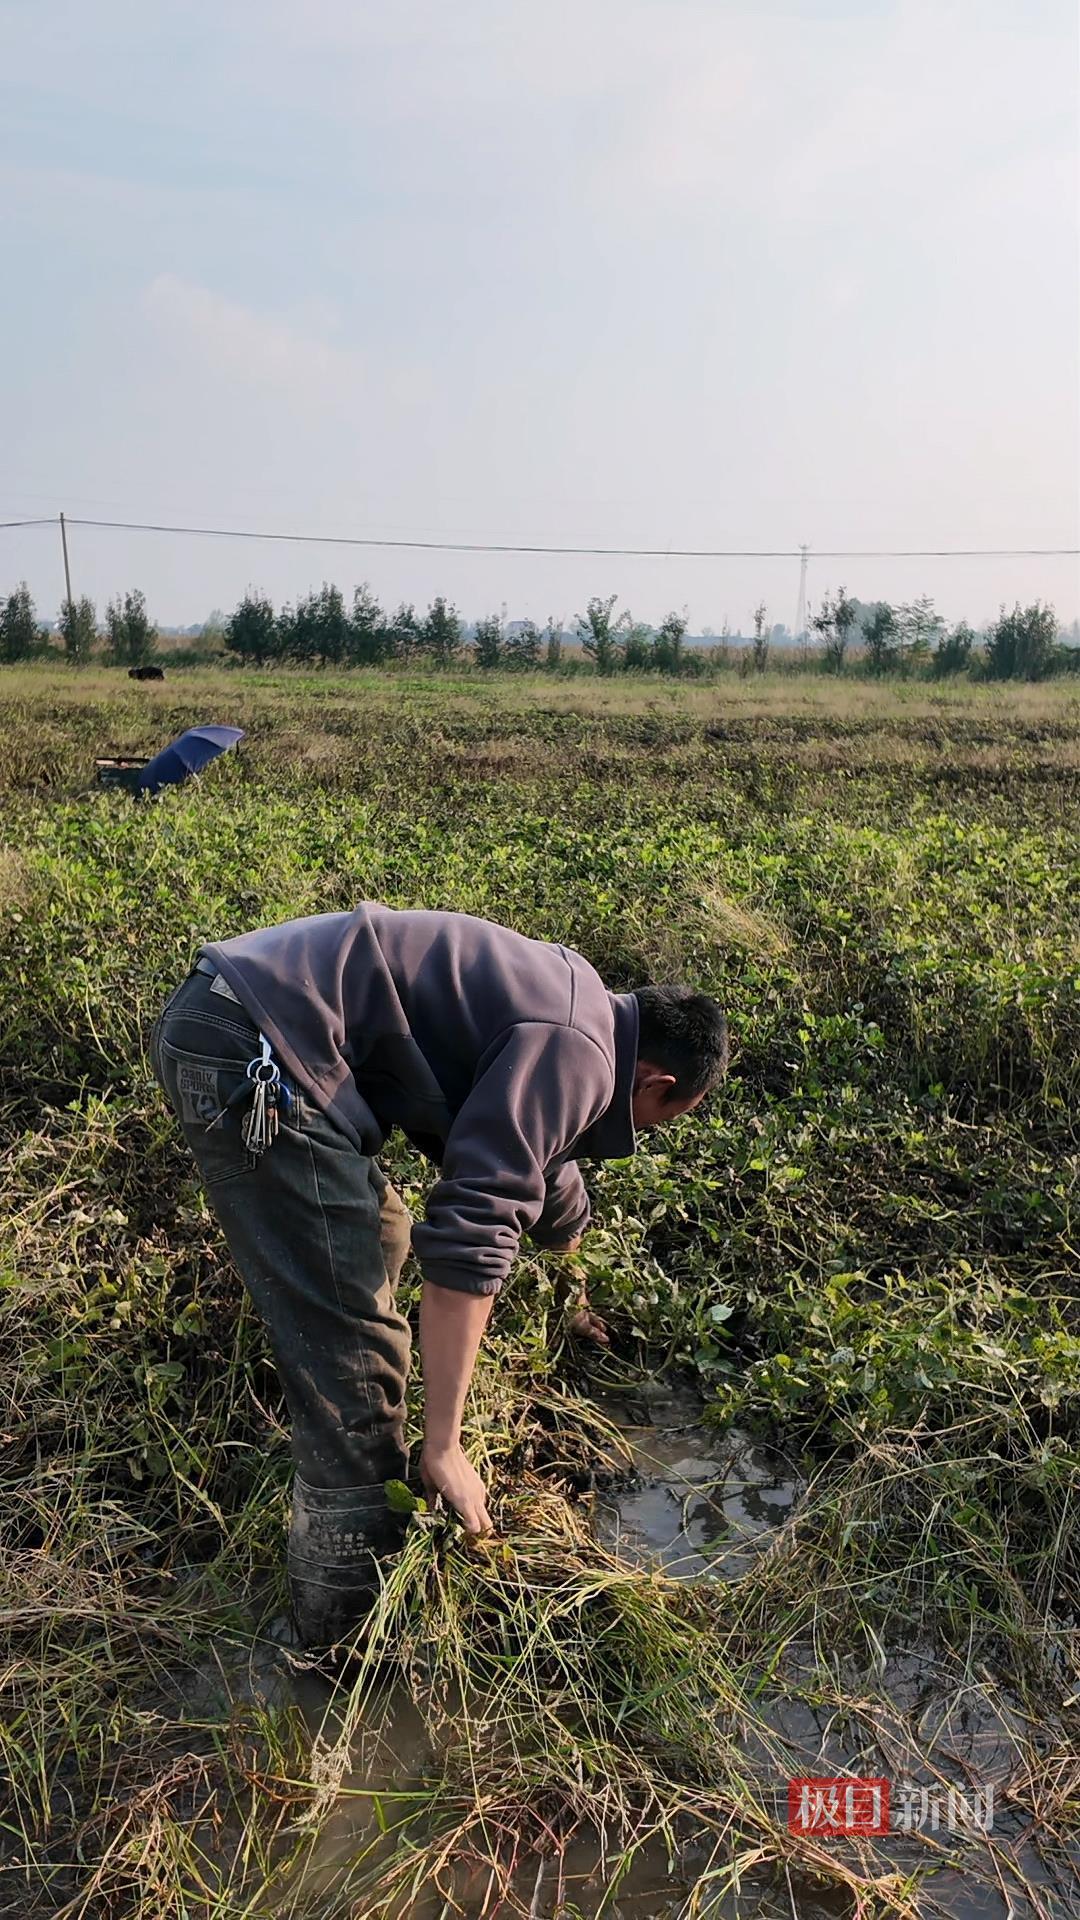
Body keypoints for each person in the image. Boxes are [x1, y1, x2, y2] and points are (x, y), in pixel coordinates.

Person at [150, 904, 728, 1646]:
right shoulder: (574, 1050)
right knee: (355, 1364)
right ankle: (341, 1646)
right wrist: (445, 1445)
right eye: (670, 1115)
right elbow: (470, 1241)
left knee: (382, 1235)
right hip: (255, 1051)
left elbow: (544, 1171)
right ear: (655, 1082)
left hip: (236, 1009)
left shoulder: (579, 1006)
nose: (654, 1128)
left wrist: (572, 1292)